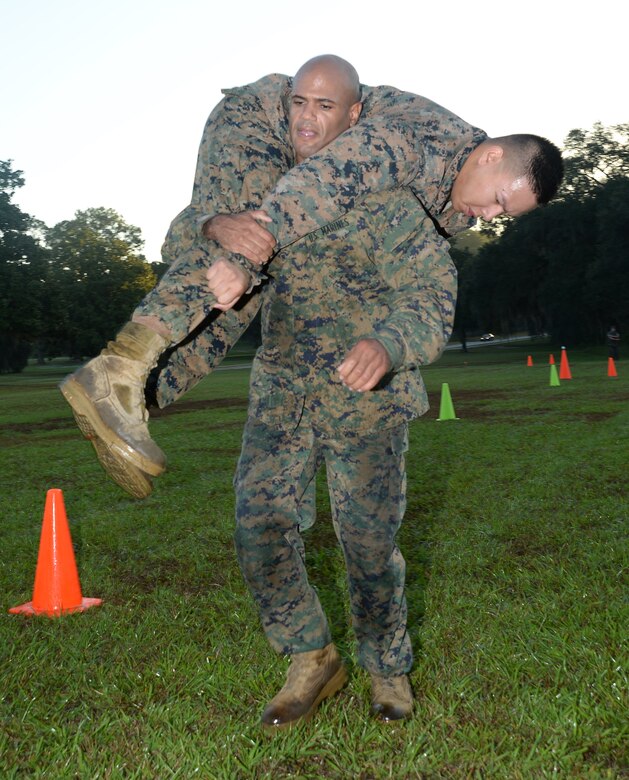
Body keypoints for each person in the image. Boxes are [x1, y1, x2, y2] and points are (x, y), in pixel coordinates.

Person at [59, 56, 564, 501]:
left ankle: (133, 400)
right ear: (491, 155)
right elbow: (325, 182)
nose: (490, 215)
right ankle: (122, 367)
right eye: (499, 200)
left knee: (244, 291)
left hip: (303, 160)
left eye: (504, 215)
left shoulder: (456, 199)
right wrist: (251, 248)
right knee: (245, 246)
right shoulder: (413, 140)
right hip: (267, 122)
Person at [230, 56, 455, 728]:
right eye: (298, 102)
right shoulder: (269, 194)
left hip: (367, 399)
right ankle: (310, 655)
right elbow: (211, 249)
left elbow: (432, 295)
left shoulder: (387, 201)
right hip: (282, 391)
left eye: (325, 106)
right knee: (257, 523)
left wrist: (387, 344)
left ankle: (387, 669)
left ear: (355, 115)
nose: (306, 117)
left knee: (365, 543)